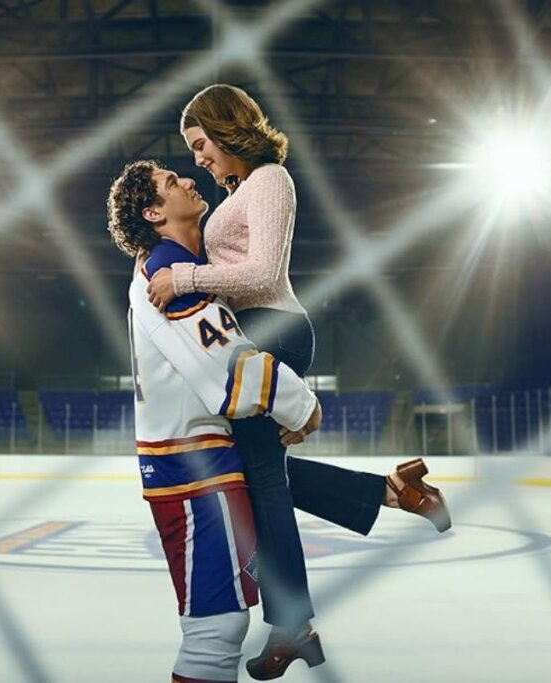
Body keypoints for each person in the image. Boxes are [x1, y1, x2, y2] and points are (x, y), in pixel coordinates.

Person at [144, 85, 450, 679]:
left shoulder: (270, 182)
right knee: (259, 471)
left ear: (227, 129)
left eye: (201, 144)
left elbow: (263, 272)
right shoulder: (240, 190)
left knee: (260, 478)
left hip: (274, 327)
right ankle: (392, 493)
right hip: (252, 331)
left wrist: (182, 276)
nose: (198, 160)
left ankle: (293, 626)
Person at [108, 159, 325, 683]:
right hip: (193, 471)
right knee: (216, 629)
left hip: (196, 465)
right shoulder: (167, 274)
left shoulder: (174, 267)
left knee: (219, 625)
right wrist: (303, 406)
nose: (187, 178)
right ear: (154, 212)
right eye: (169, 182)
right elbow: (231, 369)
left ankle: (386, 493)